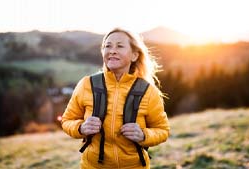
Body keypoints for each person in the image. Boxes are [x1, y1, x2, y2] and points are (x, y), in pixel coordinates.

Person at [61, 27, 170, 168]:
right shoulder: (87, 84)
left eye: (120, 46)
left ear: (134, 56)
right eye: (107, 46)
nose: (112, 50)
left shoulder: (148, 91)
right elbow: (67, 120)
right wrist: (81, 127)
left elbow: (162, 130)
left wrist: (144, 135)